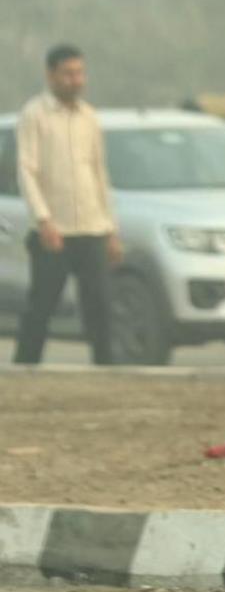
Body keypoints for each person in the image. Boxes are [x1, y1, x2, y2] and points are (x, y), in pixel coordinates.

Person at [13, 44, 122, 366]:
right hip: (54, 231)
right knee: (42, 306)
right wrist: (43, 219)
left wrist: (110, 229)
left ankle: (108, 371)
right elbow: (27, 170)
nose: (76, 80)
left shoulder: (89, 117)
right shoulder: (35, 115)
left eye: (80, 73)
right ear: (51, 75)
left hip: (91, 228)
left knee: (99, 305)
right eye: (68, 74)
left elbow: (100, 174)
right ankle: (25, 370)